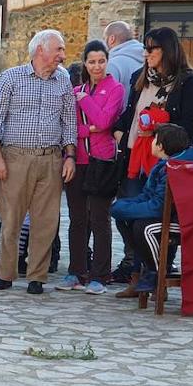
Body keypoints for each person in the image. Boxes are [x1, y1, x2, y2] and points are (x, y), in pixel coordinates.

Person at [112, 27, 193, 291]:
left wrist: (156, 132)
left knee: (154, 221)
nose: (146, 53)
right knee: (126, 215)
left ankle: (156, 273)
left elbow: (190, 125)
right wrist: (122, 135)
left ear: (167, 50)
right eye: (145, 47)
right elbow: (128, 116)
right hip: (134, 163)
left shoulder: (187, 81)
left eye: (152, 48)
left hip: (164, 163)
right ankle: (141, 273)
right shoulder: (140, 78)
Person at [0, 29, 76, 294]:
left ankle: (37, 276)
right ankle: (5, 274)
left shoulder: (64, 81)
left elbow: (69, 122)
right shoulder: (10, 78)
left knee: (46, 221)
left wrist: (70, 156)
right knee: (11, 217)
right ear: (40, 50)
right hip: (15, 158)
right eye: (58, 49)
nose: (63, 55)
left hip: (51, 159)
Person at [60, 40, 124, 294]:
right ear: (85, 63)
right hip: (79, 160)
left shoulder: (115, 89)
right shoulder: (78, 89)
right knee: (77, 219)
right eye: (92, 61)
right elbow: (70, 126)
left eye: (101, 61)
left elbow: (105, 120)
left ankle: (100, 274)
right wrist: (90, 129)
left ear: (107, 62)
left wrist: (85, 101)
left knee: (99, 219)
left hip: (102, 162)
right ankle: (76, 271)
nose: (96, 66)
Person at [110, 123, 193, 294]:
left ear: (161, 146)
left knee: (143, 227)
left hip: (179, 221)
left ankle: (155, 272)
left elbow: (159, 206)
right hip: (163, 214)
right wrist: (122, 206)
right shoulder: (164, 163)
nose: (151, 142)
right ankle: (151, 270)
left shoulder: (177, 167)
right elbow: (148, 195)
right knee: (125, 218)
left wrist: (125, 209)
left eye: (154, 140)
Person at [103, 20, 144, 107]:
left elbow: (106, 100)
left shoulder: (112, 64)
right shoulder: (146, 59)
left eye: (104, 38)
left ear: (111, 39)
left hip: (119, 118)